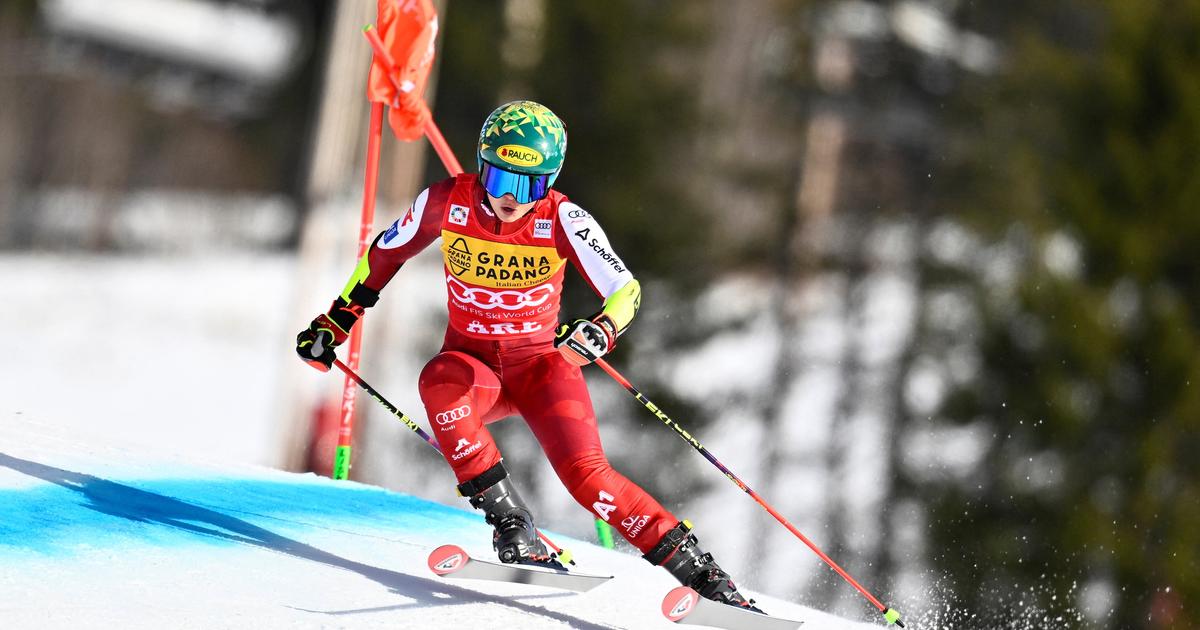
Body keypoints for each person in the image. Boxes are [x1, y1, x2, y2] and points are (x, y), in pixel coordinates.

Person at [296, 101, 757, 610]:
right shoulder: (446, 202)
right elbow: (385, 254)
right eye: (498, 179)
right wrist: (336, 321)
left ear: (550, 181)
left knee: (589, 482)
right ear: (481, 164)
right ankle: (514, 527)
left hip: (541, 370)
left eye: (529, 185)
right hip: (475, 371)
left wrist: (603, 329)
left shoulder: (564, 217)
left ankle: (712, 586)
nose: (510, 198)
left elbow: (625, 290)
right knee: (439, 382)